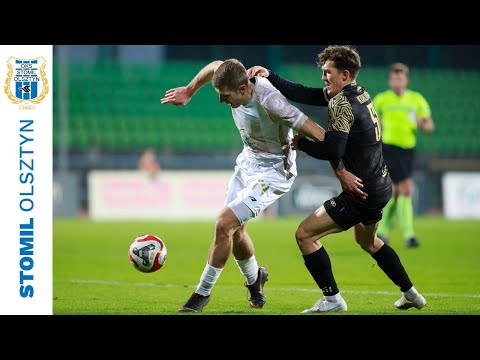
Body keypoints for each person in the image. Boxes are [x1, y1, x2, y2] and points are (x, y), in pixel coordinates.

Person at [161, 58, 363, 313]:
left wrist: (341, 171)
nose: (222, 101)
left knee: (224, 223)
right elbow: (214, 65)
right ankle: (255, 278)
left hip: (274, 172)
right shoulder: (233, 73)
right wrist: (189, 91)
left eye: (225, 96)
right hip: (248, 163)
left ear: (244, 89)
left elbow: (321, 134)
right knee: (234, 231)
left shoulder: (273, 103)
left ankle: (202, 293)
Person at [247, 45, 426, 312]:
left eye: (327, 72)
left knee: (304, 235)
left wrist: (301, 143)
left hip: (360, 192)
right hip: (380, 183)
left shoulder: (341, 102)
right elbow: (304, 93)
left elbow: (333, 149)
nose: (323, 77)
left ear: (344, 74)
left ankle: (332, 300)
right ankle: (411, 294)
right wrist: (270, 75)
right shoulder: (359, 92)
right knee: (368, 242)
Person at [373, 62, 435, 248]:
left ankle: (383, 231)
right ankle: (409, 235)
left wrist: (420, 122)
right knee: (400, 189)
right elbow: (371, 121)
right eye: (394, 78)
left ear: (406, 80)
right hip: (388, 148)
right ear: (390, 80)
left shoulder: (416, 100)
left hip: (407, 150)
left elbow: (429, 126)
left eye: (400, 78)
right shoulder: (382, 99)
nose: (396, 82)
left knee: (399, 192)